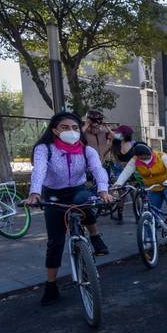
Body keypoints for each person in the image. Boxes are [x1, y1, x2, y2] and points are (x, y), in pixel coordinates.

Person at [25, 111, 113, 305]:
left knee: (86, 200)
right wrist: (34, 193)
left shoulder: (86, 150)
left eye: (74, 128)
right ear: (55, 130)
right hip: (53, 194)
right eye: (65, 128)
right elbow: (38, 170)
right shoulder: (44, 149)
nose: (71, 132)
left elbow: (98, 170)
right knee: (55, 243)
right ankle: (51, 285)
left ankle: (95, 236)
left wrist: (104, 191)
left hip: (77, 190)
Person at [111, 142, 167, 244]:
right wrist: (118, 183)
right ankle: (149, 238)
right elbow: (126, 172)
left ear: (150, 152)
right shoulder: (135, 160)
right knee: (150, 213)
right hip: (153, 188)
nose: (145, 159)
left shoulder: (161, 156)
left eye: (147, 156)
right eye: (141, 157)